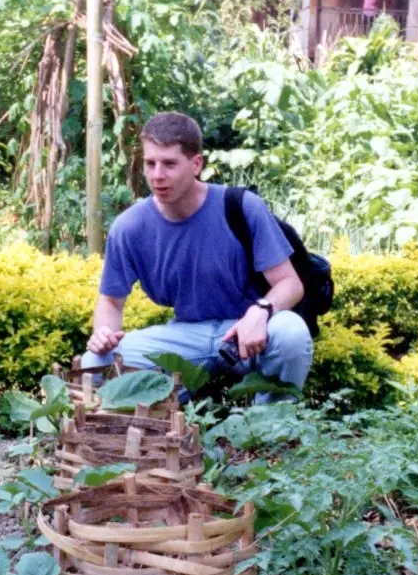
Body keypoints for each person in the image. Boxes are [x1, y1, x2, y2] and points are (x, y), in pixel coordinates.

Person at [82, 111, 312, 401]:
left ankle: (269, 428)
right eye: (150, 163)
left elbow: (290, 284)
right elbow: (111, 302)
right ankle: (159, 425)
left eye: (169, 164)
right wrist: (104, 335)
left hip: (246, 332)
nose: (157, 175)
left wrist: (261, 310)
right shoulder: (130, 227)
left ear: (196, 164)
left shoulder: (242, 206)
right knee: (95, 363)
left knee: (291, 332)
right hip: (185, 336)